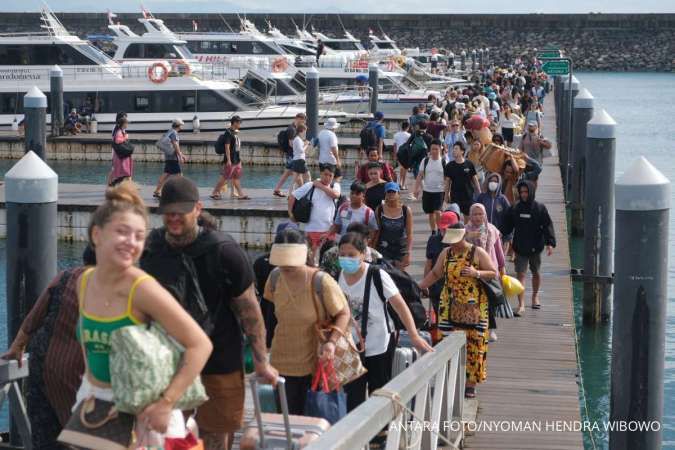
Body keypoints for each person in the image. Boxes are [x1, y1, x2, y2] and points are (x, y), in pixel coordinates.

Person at [140, 177, 278, 450]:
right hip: (167, 363)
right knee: (165, 438)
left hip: (220, 361)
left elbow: (249, 311)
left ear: (198, 209)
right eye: (169, 213)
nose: (174, 218)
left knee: (215, 437)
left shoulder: (224, 252)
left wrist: (261, 361)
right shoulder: (152, 250)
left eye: (181, 212)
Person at [75, 182, 213, 440]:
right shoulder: (84, 282)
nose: (132, 242)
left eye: (139, 236)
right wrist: (90, 391)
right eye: (123, 232)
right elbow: (88, 349)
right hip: (95, 403)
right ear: (97, 235)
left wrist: (166, 403)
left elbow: (200, 345)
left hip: (145, 415)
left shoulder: (142, 288)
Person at [2, 248, 96, 448]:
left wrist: (17, 347)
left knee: (46, 438)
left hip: (42, 369)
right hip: (77, 377)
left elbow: (33, 319)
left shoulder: (65, 277)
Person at [338, 232, 432, 411]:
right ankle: (358, 436)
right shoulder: (339, 275)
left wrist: (414, 335)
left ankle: (381, 435)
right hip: (351, 343)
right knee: (352, 394)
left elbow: (400, 305)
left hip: (379, 342)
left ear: (362, 254)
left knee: (378, 391)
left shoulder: (376, 274)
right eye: (342, 254)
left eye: (351, 255)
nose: (346, 259)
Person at [264, 228, 350, 414]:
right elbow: (270, 316)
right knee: (286, 421)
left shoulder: (321, 281)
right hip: (280, 362)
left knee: (310, 420)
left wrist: (331, 343)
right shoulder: (274, 278)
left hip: (314, 363)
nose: (286, 267)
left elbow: (344, 313)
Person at [418, 222, 497, 398]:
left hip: (475, 305)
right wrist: (420, 286)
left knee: (475, 343)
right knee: (446, 341)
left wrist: (477, 273)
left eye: (455, 240)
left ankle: (471, 384)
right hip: (449, 303)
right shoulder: (446, 253)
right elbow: (436, 274)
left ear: (463, 236)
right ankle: (450, 379)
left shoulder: (477, 252)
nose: (452, 244)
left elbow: (493, 272)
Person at [501, 180, 556, 316]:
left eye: (526, 192)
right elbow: (507, 225)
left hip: (536, 246)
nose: (523, 194)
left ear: (531, 192)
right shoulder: (515, 208)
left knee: (536, 272)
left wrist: (550, 243)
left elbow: (547, 225)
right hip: (520, 246)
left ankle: (535, 296)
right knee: (521, 274)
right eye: (521, 192)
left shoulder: (540, 208)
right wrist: (499, 233)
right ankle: (521, 304)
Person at [465, 203, 506, 342]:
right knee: (474, 300)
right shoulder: (465, 230)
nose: (477, 217)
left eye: (480, 214)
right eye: (475, 214)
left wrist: (502, 268)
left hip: (490, 270)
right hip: (471, 270)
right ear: (470, 215)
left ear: (485, 215)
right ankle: (475, 326)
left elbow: (499, 251)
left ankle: (490, 329)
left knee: (491, 300)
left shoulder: (492, 230)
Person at [288, 165, 341, 264]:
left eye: (330, 175)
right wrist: (290, 213)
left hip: (329, 230)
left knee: (328, 259)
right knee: (310, 259)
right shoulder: (310, 185)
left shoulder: (335, 186)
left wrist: (320, 185)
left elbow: (335, 195)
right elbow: (293, 196)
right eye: (325, 174)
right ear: (320, 174)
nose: (328, 177)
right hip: (310, 229)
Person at [424, 211, 459, 319]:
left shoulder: (462, 243)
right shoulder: (434, 240)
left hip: (458, 289)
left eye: (448, 229)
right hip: (437, 287)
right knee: (442, 320)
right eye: (442, 228)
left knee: (456, 321)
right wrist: (425, 284)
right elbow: (429, 264)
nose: (444, 231)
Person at [373, 182, 413, 270]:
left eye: (393, 192)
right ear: (385, 194)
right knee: (384, 276)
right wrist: (373, 249)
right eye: (388, 192)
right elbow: (377, 231)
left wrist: (408, 253)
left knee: (399, 277)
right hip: (384, 248)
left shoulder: (406, 210)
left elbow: (409, 234)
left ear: (398, 193)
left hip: (401, 249)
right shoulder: (379, 209)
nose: (391, 194)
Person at [210, 115, 249, 201]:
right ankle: (214, 192)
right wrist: (228, 160)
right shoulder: (228, 133)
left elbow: (236, 147)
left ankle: (241, 195)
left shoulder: (235, 132)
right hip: (231, 159)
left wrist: (239, 159)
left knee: (236, 177)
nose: (240, 125)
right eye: (239, 123)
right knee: (225, 177)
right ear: (234, 123)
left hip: (237, 159)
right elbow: (227, 147)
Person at [413, 139, 446, 234]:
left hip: (439, 191)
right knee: (430, 213)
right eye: (432, 149)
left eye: (436, 149)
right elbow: (420, 175)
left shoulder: (444, 161)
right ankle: (433, 231)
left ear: (440, 149)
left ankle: (440, 231)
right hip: (427, 191)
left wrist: (448, 192)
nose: (434, 151)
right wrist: (416, 189)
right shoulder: (425, 160)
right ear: (430, 150)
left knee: (438, 212)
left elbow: (447, 178)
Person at [444, 142, 481, 219]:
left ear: (462, 151)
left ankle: (466, 231)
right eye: (453, 149)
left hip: (468, 196)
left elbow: (475, 179)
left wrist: (479, 193)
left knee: (467, 218)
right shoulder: (449, 166)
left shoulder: (469, 164)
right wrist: (446, 195)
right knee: (455, 218)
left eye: (456, 149)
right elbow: (447, 182)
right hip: (455, 196)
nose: (454, 151)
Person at [273, 113, 306, 197]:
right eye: (302, 120)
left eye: (304, 120)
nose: (303, 122)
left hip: (291, 154)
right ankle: (301, 192)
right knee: (297, 173)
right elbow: (291, 143)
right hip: (292, 155)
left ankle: (277, 189)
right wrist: (302, 145)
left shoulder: (293, 128)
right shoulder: (292, 129)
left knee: (289, 173)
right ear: (297, 118)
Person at [153, 119, 187, 198]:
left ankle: (157, 191)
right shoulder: (174, 133)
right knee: (179, 175)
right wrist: (180, 156)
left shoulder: (169, 131)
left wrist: (181, 154)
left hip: (168, 156)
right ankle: (180, 193)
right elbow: (175, 145)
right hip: (173, 157)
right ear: (179, 125)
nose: (182, 126)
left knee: (166, 174)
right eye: (181, 125)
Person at [109, 116, 133, 186]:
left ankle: (115, 184)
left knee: (124, 173)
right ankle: (114, 184)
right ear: (123, 124)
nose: (127, 125)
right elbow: (118, 141)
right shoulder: (119, 132)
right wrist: (125, 137)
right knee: (124, 173)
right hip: (121, 156)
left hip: (122, 155)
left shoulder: (121, 131)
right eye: (126, 123)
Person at [290, 123, 311, 190]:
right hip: (300, 160)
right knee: (308, 176)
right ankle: (308, 191)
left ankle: (292, 194)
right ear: (302, 131)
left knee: (296, 179)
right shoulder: (298, 139)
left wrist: (304, 143)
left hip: (296, 160)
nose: (305, 133)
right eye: (305, 131)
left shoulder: (297, 139)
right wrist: (307, 145)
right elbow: (301, 151)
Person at [393, 121, 411, 190]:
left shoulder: (396, 135)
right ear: (407, 127)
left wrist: (395, 155)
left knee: (401, 168)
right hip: (405, 154)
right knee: (405, 170)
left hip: (398, 153)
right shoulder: (409, 135)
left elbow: (394, 145)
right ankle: (402, 184)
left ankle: (400, 183)